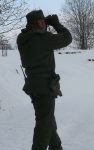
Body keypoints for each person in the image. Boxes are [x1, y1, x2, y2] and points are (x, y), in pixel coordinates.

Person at [17, 10, 72, 150]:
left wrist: (45, 23)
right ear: (40, 22)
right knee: (44, 125)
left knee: (47, 121)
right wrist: (56, 24)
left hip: (32, 86)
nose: (45, 24)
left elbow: (36, 32)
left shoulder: (22, 38)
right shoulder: (43, 38)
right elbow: (67, 38)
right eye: (43, 22)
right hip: (44, 87)